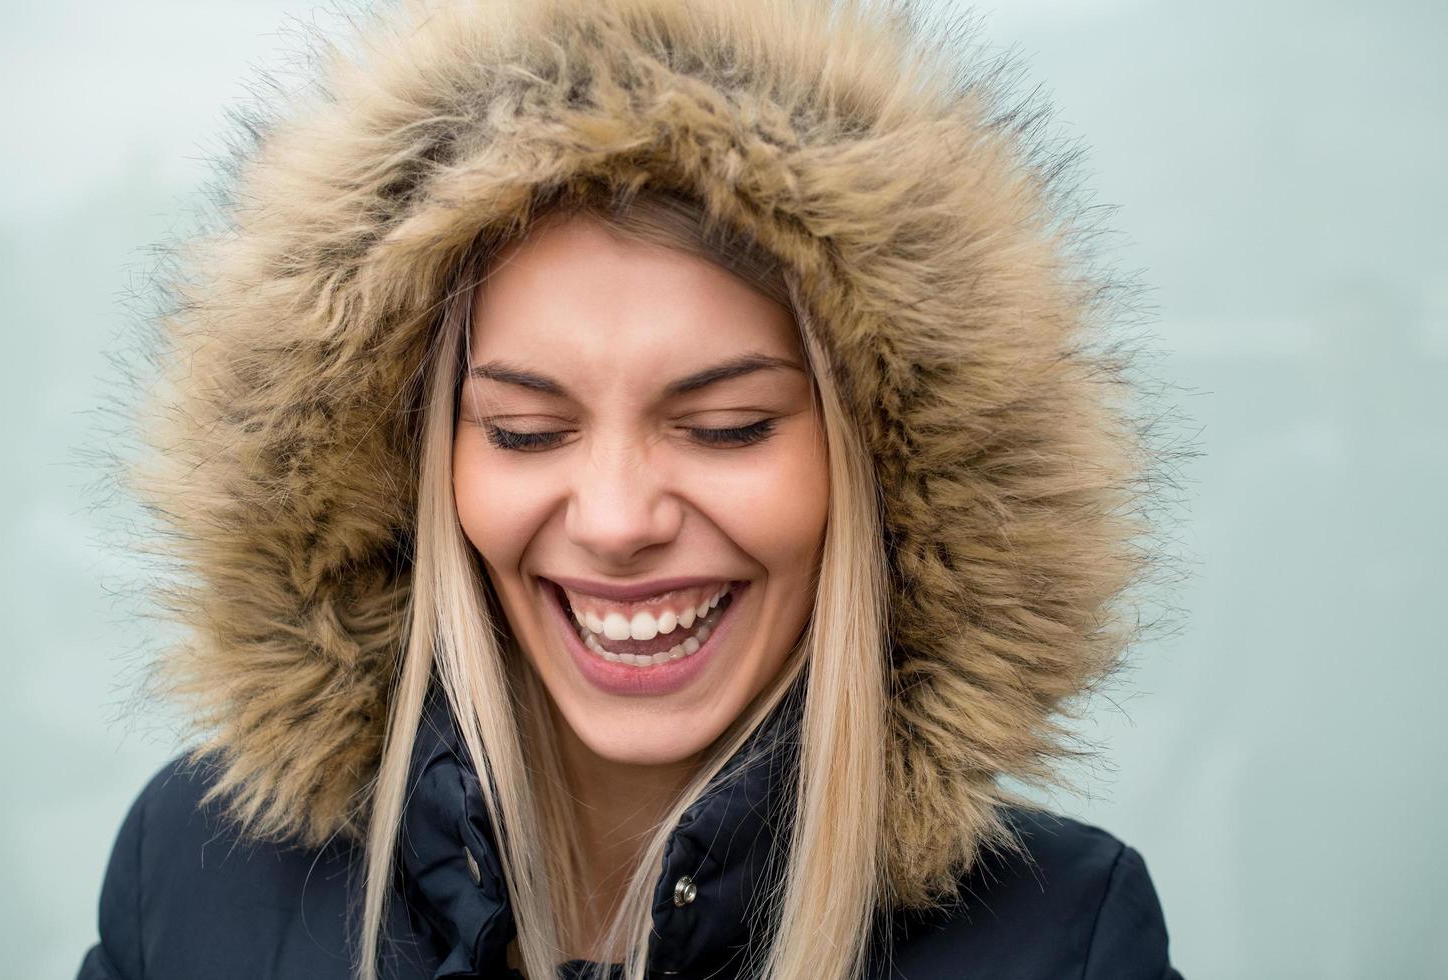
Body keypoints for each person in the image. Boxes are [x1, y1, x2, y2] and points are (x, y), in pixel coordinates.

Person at [78, 0, 1185, 977]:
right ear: (413, 466)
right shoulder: (195, 877)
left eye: (726, 426)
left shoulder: (1063, 940)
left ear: (883, 478)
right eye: (524, 430)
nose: (614, 520)